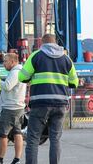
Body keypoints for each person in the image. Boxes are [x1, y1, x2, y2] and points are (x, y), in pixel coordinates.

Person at [19, 33, 78, 164]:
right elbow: (75, 82)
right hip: (60, 104)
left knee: (33, 138)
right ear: (56, 43)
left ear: (42, 43)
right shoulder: (66, 59)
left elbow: (22, 77)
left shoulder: (36, 56)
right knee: (55, 139)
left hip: (40, 103)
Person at [0, 53, 27, 164]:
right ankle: (17, 158)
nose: (4, 64)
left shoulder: (15, 72)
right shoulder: (21, 71)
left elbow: (8, 86)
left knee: (3, 134)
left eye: (5, 61)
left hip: (10, 108)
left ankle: (0, 158)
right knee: (17, 132)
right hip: (18, 107)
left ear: (13, 62)